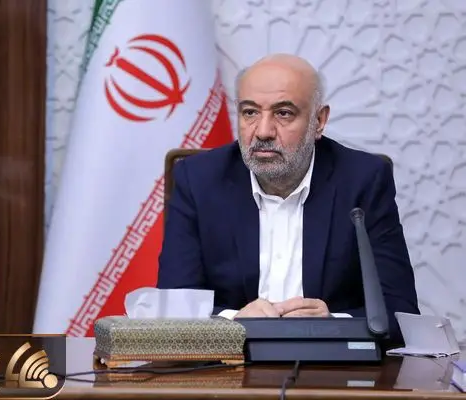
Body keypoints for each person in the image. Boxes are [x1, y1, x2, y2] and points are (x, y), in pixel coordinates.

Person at [156, 53, 419, 344]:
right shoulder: (199, 180)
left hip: (329, 363)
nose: (263, 132)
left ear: (319, 121)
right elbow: (173, 310)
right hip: (232, 363)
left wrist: (333, 324)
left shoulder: (363, 181)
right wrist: (234, 322)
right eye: (250, 113)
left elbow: (401, 312)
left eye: (283, 113)